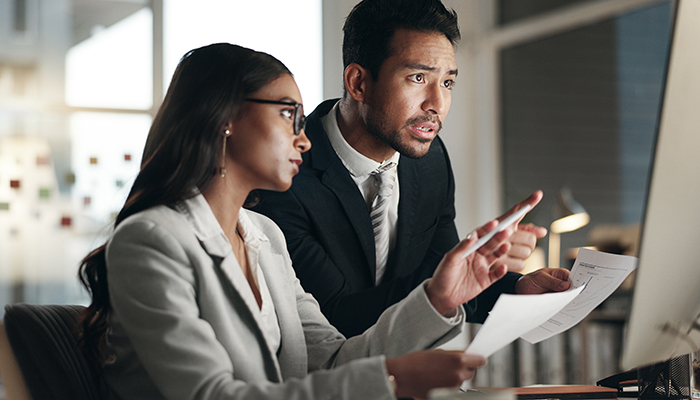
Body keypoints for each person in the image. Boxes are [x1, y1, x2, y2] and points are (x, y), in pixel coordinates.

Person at [77, 43, 536, 400]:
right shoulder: (152, 239)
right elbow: (210, 395)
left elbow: (333, 359)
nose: (304, 138)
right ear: (225, 118)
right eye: (287, 114)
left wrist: (439, 298)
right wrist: (390, 379)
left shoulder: (264, 237)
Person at [251, 0, 571, 338]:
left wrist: (517, 287)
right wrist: (458, 272)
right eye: (418, 78)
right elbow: (334, 317)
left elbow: (442, 274)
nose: (436, 104)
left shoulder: (430, 161)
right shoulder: (284, 176)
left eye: (447, 83)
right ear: (358, 83)